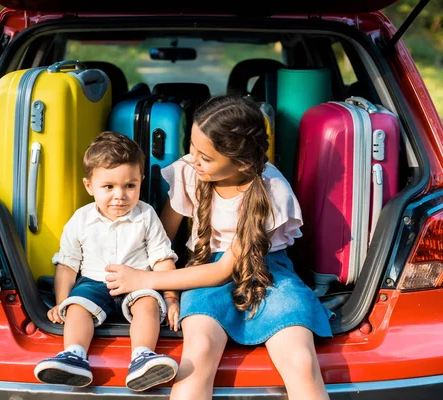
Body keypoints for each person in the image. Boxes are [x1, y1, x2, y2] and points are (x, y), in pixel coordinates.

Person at [104, 95, 335, 400]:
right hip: (201, 267)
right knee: (196, 357)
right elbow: (161, 237)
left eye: (205, 157)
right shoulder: (189, 171)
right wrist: (166, 293)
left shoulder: (271, 189)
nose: (193, 159)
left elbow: (224, 270)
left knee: (301, 361)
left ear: (241, 162)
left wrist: (144, 279)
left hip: (267, 272)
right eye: (192, 147)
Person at [34, 131, 181, 392]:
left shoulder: (146, 216)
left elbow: (162, 260)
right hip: (93, 282)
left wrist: (170, 297)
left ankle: (143, 357)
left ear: (141, 181)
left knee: (148, 303)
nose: (120, 195)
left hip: (138, 282)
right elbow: (67, 266)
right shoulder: (80, 219)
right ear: (89, 186)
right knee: (77, 308)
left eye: (130, 186)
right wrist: (61, 303)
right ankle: (74, 356)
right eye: (108, 187)